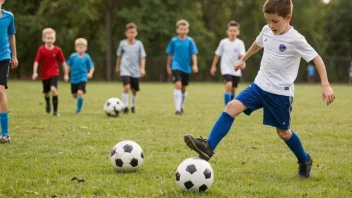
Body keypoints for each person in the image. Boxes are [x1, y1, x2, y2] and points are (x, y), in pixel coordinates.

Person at [183, 0, 335, 179]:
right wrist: (243, 58)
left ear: (288, 17)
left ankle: (304, 160)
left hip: (280, 93)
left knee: (283, 133)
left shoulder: (297, 39)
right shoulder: (266, 30)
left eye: (275, 21)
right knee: (232, 106)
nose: (271, 25)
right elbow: (258, 43)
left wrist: (325, 85)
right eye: (268, 21)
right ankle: (208, 147)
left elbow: (317, 59)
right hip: (259, 86)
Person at [32, 28, 68, 117]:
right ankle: (48, 103)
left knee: (53, 90)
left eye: (51, 38)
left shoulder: (57, 50)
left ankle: (55, 111)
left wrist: (66, 73)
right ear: (43, 39)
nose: (50, 40)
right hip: (44, 75)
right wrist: (35, 72)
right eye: (48, 38)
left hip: (54, 73)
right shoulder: (41, 50)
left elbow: (63, 62)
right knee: (46, 93)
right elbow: (36, 61)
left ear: (54, 39)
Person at [166, 19, 199, 115]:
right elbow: (169, 54)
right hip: (176, 66)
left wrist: (195, 64)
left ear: (187, 30)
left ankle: (181, 105)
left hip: (186, 67)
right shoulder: (173, 41)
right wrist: (168, 66)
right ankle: (177, 109)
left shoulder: (190, 41)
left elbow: (194, 54)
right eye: (181, 29)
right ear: (177, 30)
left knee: (183, 88)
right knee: (178, 85)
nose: (183, 31)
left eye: (185, 29)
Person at [210, 20, 246, 106]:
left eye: (234, 30)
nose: (232, 32)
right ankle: (227, 107)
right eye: (231, 30)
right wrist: (213, 66)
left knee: (233, 89)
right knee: (228, 85)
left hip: (236, 69)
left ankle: (231, 105)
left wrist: (243, 63)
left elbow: (242, 55)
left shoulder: (240, 43)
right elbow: (217, 55)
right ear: (227, 32)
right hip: (226, 68)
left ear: (238, 32)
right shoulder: (223, 42)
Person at [115, 22, 146, 114]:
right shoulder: (122, 44)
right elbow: (119, 56)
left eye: (133, 32)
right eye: (129, 32)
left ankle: (132, 105)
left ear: (136, 33)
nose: (131, 34)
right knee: (126, 87)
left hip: (135, 70)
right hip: (125, 68)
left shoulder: (139, 44)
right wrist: (117, 67)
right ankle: (125, 106)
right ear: (126, 33)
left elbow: (142, 57)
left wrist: (142, 68)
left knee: (134, 90)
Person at [0, 0, 19, 143]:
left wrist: (14, 55)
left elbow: (12, 35)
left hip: (3, 57)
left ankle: (5, 133)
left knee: (0, 92)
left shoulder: (9, 16)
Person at [66, 38, 95, 114]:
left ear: (86, 48)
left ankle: (78, 110)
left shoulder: (87, 57)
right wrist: (66, 74)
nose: (80, 48)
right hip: (74, 79)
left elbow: (91, 66)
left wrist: (90, 73)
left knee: (80, 93)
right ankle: (79, 98)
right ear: (75, 48)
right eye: (79, 47)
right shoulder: (73, 56)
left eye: (82, 47)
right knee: (74, 95)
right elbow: (68, 65)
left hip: (83, 77)